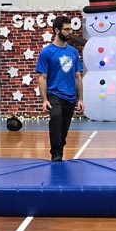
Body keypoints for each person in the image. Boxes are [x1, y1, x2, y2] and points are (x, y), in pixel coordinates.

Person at [36, 15, 83, 161]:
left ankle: (59, 147)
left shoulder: (73, 52)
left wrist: (80, 99)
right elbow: (42, 77)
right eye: (66, 29)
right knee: (56, 117)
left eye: (70, 29)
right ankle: (56, 153)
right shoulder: (47, 52)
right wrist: (44, 100)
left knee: (64, 128)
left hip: (70, 96)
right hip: (54, 93)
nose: (70, 32)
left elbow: (78, 76)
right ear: (57, 30)